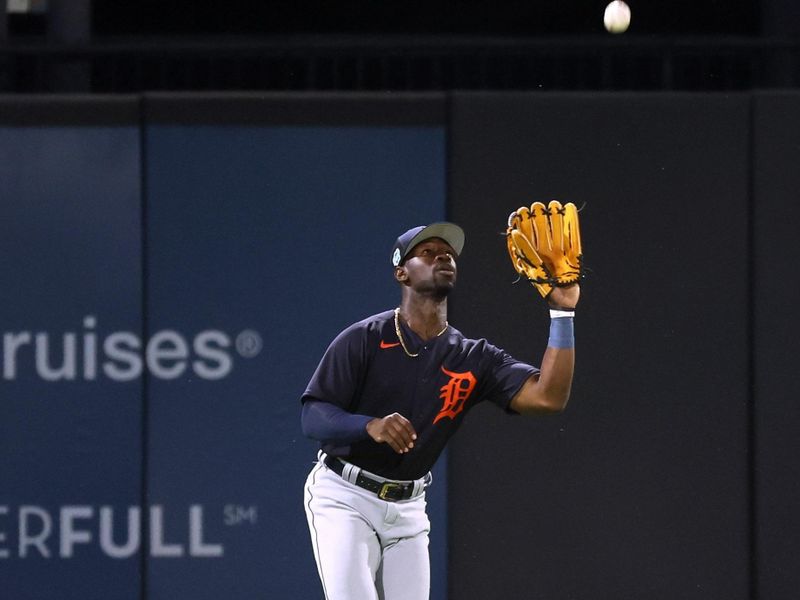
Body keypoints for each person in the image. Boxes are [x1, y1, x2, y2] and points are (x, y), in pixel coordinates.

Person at [301, 222, 579, 600]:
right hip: (345, 495)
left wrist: (562, 314)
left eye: (447, 252)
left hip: (408, 508)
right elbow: (314, 416)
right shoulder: (364, 338)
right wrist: (370, 426)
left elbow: (549, 398)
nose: (442, 256)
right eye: (427, 252)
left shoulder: (474, 357)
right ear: (402, 272)